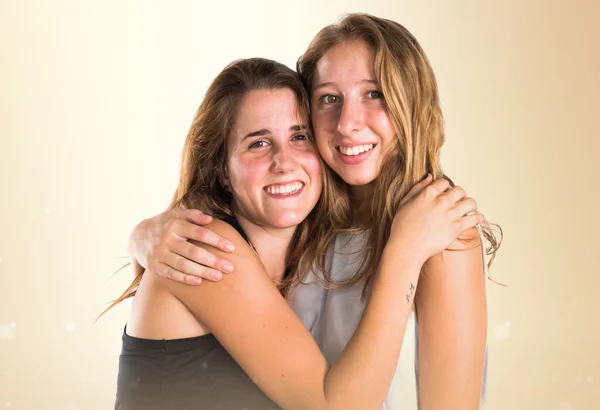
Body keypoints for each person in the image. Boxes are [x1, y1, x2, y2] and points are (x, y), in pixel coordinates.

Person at [126, 13, 500, 410]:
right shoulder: (305, 222)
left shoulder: (443, 236)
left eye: (374, 94)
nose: (347, 124)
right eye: (329, 99)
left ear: (412, 102)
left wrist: (407, 248)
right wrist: (141, 236)